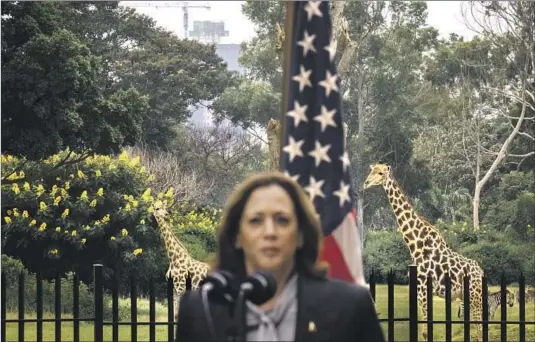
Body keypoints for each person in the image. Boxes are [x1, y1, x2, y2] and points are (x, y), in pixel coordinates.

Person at [176, 172, 385, 342]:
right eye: (256, 221)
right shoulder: (200, 311)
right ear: (237, 236)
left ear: (301, 235)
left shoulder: (350, 306)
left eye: (282, 220)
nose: (270, 232)